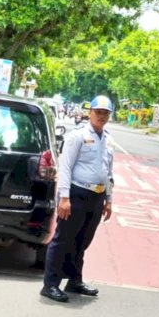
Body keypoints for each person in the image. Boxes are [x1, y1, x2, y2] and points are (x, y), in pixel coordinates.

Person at [40, 95, 114, 303]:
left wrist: (109, 199)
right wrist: (64, 198)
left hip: (97, 196)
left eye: (105, 113)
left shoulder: (107, 139)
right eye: (98, 112)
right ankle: (50, 284)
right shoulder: (78, 136)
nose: (101, 116)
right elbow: (65, 167)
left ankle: (74, 280)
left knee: (83, 239)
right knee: (63, 239)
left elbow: (109, 171)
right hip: (76, 193)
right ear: (90, 112)